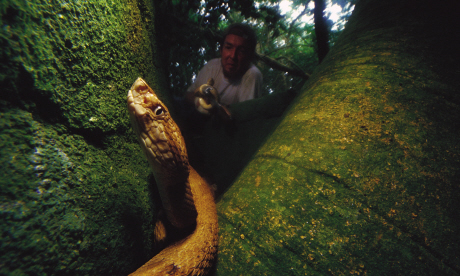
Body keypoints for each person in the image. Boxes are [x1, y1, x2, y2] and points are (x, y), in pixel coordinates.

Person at [186, 23, 263, 111]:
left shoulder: (252, 74)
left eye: (241, 51)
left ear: (249, 57)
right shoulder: (212, 66)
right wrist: (199, 102)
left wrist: (216, 109)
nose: (233, 56)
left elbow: (245, 115)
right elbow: (189, 94)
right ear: (221, 50)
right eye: (228, 47)